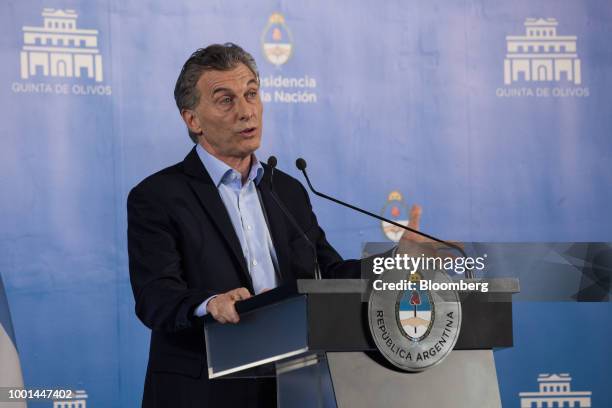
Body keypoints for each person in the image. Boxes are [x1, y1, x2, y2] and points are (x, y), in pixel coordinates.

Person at [127, 43, 422, 408]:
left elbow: (327, 274)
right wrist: (210, 303)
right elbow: (156, 297)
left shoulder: (286, 190)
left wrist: (396, 261)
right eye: (226, 100)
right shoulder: (158, 196)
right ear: (193, 120)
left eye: (251, 94)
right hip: (203, 392)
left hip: (293, 387)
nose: (246, 111)